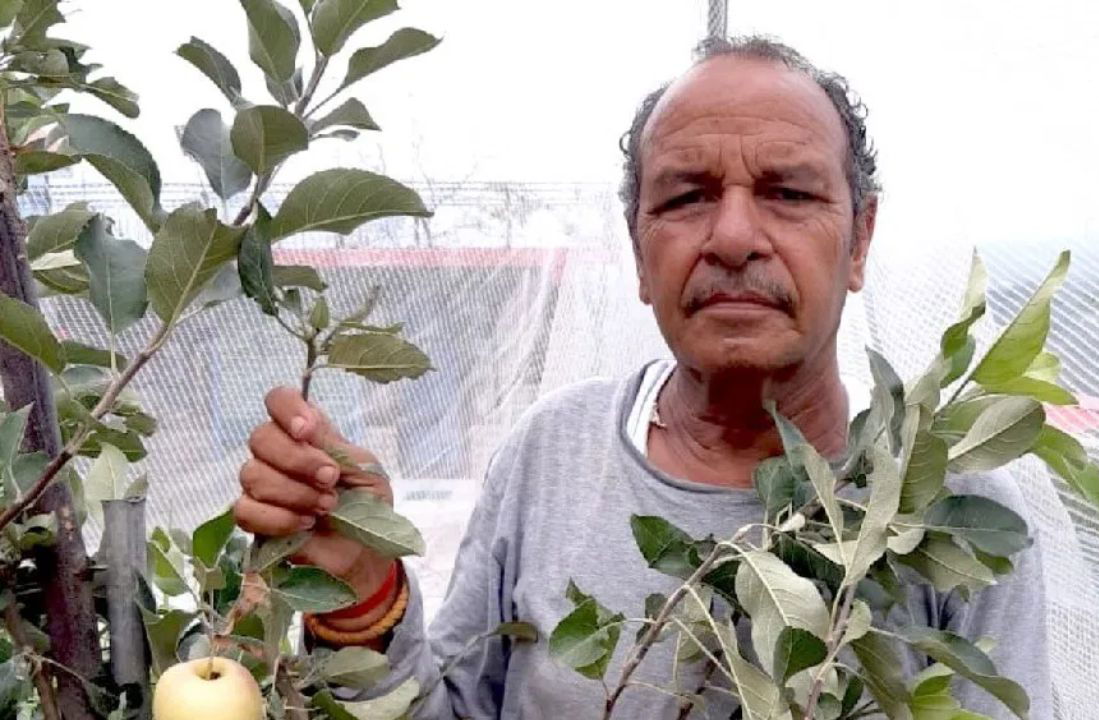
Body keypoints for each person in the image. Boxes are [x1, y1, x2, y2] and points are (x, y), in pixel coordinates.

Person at [233, 36, 1049, 719]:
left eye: (789, 193)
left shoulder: (949, 515)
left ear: (860, 239)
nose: (733, 236)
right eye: (687, 198)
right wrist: (361, 595)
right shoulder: (552, 454)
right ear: (638, 252)